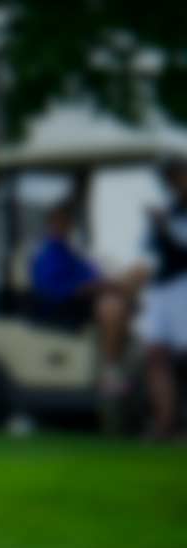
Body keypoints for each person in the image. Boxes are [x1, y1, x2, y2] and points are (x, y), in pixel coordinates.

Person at [29, 202, 135, 379]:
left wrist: (106, 282)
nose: (65, 226)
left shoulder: (67, 249)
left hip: (82, 298)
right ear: (51, 224)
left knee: (135, 276)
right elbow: (55, 289)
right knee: (112, 308)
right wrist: (98, 286)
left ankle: (128, 355)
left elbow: (91, 272)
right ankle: (110, 370)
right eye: (60, 222)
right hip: (64, 306)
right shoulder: (47, 253)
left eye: (66, 222)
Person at [141, 156, 187, 439]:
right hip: (162, 287)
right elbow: (150, 248)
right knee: (157, 355)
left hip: (183, 284)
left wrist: (164, 226)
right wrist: (157, 226)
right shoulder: (169, 210)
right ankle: (165, 423)